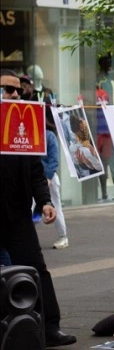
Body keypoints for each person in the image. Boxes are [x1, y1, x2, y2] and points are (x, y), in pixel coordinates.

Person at [0, 69, 77, 347]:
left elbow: (35, 170)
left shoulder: (26, 123)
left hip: (18, 215)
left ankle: (50, 327)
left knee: (37, 270)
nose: (15, 94)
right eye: (8, 90)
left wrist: (45, 201)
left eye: (17, 90)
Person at [39, 104, 69, 249]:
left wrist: (49, 177)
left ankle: (63, 236)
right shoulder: (32, 135)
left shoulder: (49, 136)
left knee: (55, 206)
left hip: (47, 178)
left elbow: (54, 160)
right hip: (35, 177)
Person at [95, 85, 114, 202]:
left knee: (98, 164)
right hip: (104, 132)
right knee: (103, 164)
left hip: (100, 132)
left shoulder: (100, 93)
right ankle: (104, 194)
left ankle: (103, 194)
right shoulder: (104, 93)